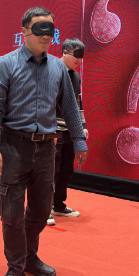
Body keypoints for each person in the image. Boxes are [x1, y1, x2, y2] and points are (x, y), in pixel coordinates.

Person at [0, 7, 88, 276]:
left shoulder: (58, 67)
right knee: (11, 213)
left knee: (42, 211)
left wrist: (79, 141)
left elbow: (69, 108)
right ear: (24, 32)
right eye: (40, 29)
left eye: (50, 30)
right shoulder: (5, 64)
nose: (46, 36)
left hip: (46, 150)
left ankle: (30, 257)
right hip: (13, 147)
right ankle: (15, 267)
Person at [47, 38, 88, 227]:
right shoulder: (51, 70)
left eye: (81, 56)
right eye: (76, 55)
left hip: (69, 131)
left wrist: (82, 126)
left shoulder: (76, 77)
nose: (79, 60)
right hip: (52, 130)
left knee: (65, 169)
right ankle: (44, 208)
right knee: (50, 171)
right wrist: (49, 129)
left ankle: (58, 205)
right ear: (64, 52)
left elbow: (78, 103)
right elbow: (45, 102)